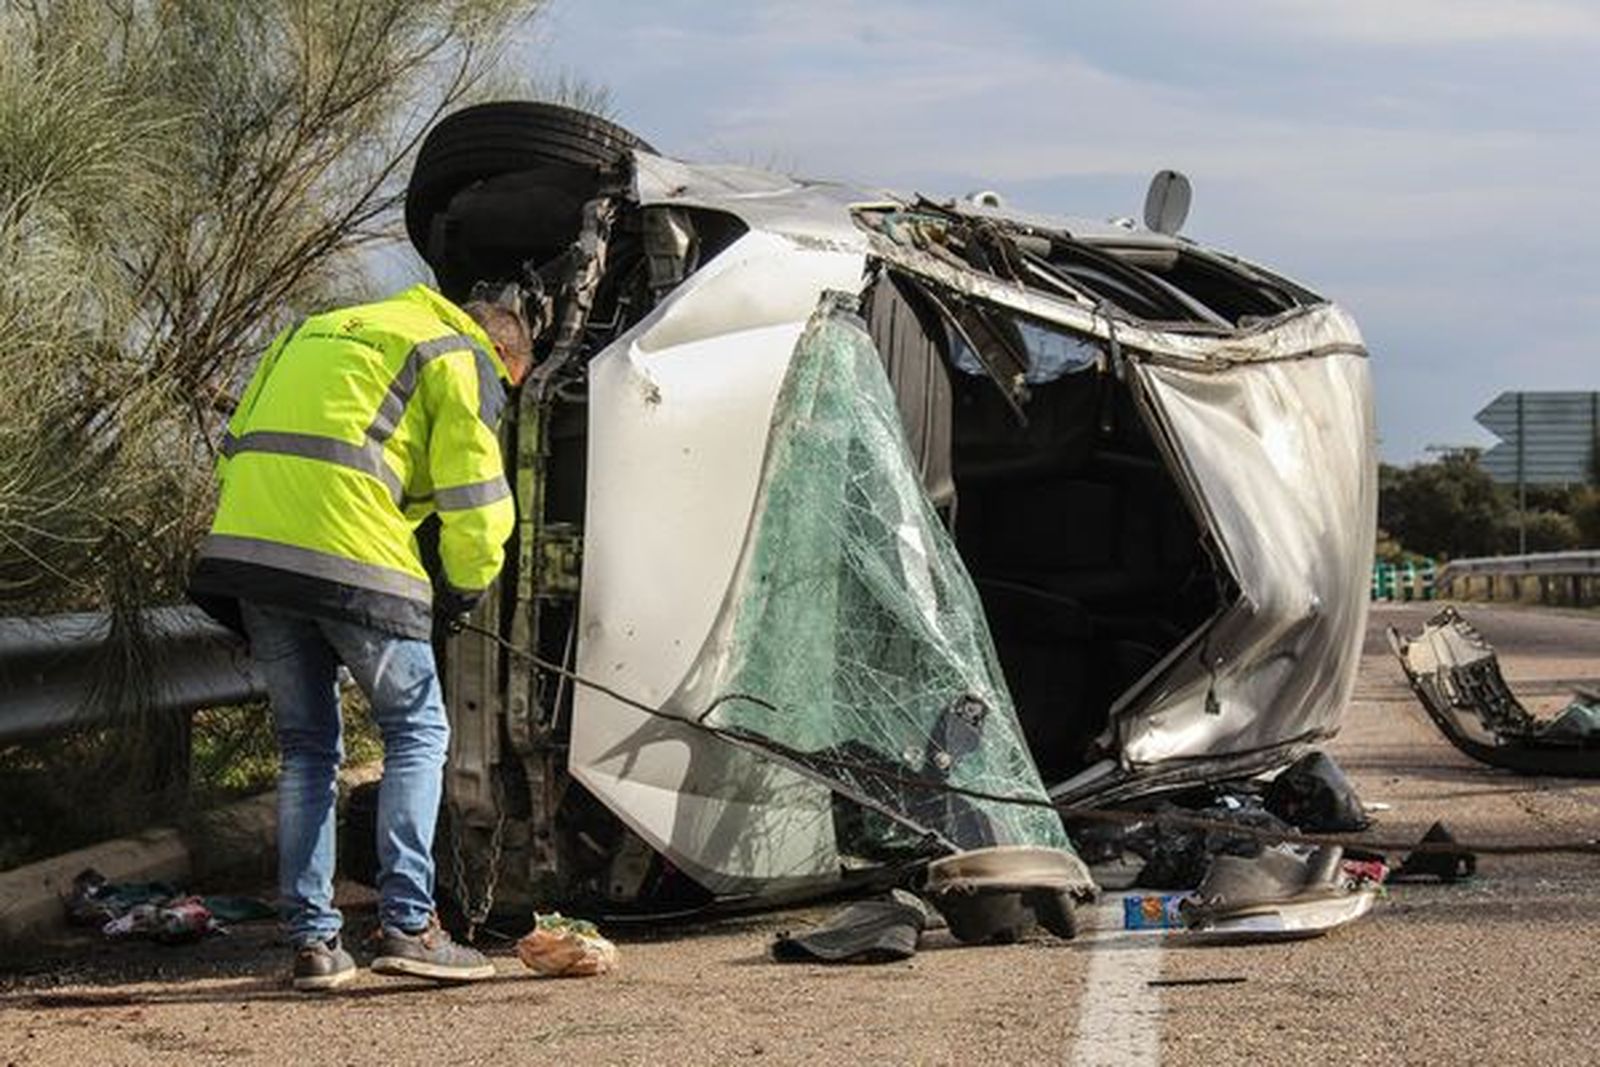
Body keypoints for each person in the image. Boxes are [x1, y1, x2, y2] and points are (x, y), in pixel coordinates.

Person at [189, 284, 532, 991]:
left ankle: (314, 944)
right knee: (417, 729)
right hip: (355, 555)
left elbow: (234, 450)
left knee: (307, 748)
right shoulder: (459, 353)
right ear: (504, 354)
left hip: (251, 552)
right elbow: (477, 499)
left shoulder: (309, 329)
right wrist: (463, 588)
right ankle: (411, 925)